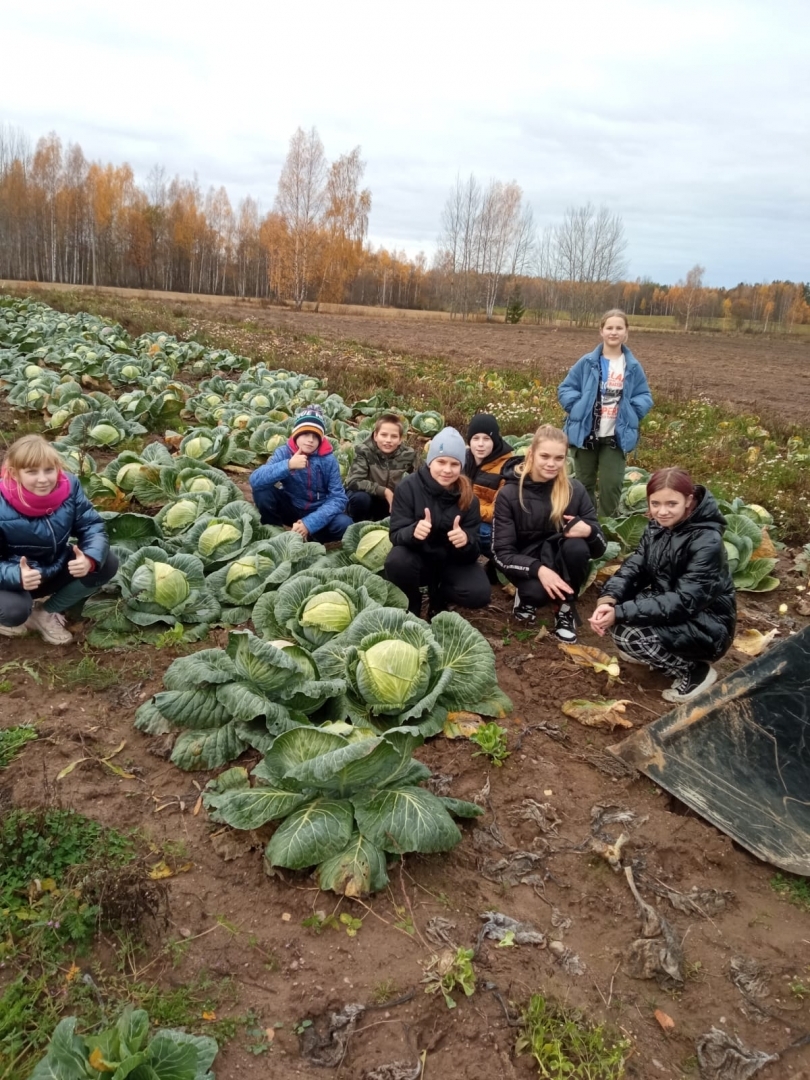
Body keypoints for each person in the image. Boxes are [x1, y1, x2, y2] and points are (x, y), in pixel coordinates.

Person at [589, 467, 736, 704]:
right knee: (621, 618)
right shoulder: (657, 527)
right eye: (655, 503)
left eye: (671, 504)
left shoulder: (707, 540)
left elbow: (686, 600)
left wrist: (620, 613)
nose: (662, 511)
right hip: (675, 608)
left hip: (708, 624)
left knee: (628, 635)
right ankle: (659, 652)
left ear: (688, 501)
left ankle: (694, 671)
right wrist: (610, 600)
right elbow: (635, 567)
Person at [0, 435, 118, 646]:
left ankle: (44, 613)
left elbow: (92, 527)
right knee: (13, 612)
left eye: (49, 470)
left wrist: (89, 558)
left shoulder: (70, 487)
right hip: (11, 580)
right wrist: (16, 575)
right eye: (32, 472)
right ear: (14, 474)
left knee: (106, 562)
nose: (43, 479)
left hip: (50, 568)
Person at [492, 424, 606, 642]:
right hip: (527, 562)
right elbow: (501, 553)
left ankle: (565, 608)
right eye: (545, 456)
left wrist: (589, 531)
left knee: (577, 547)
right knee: (535, 594)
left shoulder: (575, 491)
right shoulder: (509, 493)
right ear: (532, 454)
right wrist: (538, 569)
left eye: (559, 458)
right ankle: (525, 598)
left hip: (559, 558)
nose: (551, 464)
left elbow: (599, 549)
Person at [385, 426, 490, 619]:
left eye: (454, 464)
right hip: (419, 559)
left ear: (462, 466)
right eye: (441, 462)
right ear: (430, 461)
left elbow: (475, 552)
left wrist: (465, 541)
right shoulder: (408, 488)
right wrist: (413, 531)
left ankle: (439, 598)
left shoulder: (469, 499)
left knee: (479, 594)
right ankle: (412, 602)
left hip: (451, 561)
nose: (447, 470)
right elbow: (396, 535)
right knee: (396, 561)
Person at [557, 308, 653, 517]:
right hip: (585, 434)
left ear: (626, 332)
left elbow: (644, 395)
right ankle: (589, 523)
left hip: (615, 438)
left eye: (619, 328)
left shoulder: (632, 366)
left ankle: (607, 526)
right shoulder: (587, 362)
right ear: (601, 331)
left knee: (612, 485)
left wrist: (632, 413)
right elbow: (565, 388)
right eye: (609, 327)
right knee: (583, 484)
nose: (613, 332)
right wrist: (577, 407)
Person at [249, 405, 352, 542]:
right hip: (291, 506)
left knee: (344, 524)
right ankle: (274, 532)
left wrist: (309, 524)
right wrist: (288, 465)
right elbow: (255, 480)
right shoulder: (284, 452)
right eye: (305, 434)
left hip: (318, 511)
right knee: (261, 492)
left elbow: (338, 498)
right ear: (296, 435)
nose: (310, 440)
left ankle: (312, 536)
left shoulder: (328, 460)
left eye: (315, 436)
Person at [463, 413, 512, 581]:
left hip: (492, 525)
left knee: (480, 532)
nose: (481, 444)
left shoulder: (507, 468)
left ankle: (498, 562)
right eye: (476, 438)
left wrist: (466, 508)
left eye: (486, 438)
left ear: (495, 440)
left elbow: (498, 512)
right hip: (463, 516)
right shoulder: (462, 460)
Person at [344, 413, 419, 522]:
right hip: (368, 497)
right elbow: (353, 482)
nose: (388, 440)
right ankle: (355, 522)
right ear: (375, 436)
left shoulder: (409, 455)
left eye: (394, 436)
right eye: (384, 435)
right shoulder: (363, 451)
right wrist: (385, 491)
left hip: (389, 501)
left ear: (400, 439)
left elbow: (422, 479)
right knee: (361, 498)